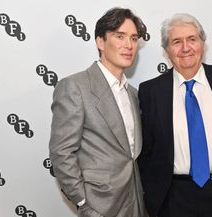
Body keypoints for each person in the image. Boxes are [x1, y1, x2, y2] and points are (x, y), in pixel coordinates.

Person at [138, 13, 212, 217]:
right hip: (173, 199)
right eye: (176, 41)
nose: (185, 48)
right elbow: (147, 150)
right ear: (166, 51)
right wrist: (154, 193)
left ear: (202, 44)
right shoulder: (150, 91)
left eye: (192, 39)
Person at [49, 7, 147, 217]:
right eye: (119, 36)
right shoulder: (75, 86)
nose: (129, 45)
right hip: (99, 206)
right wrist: (84, 202)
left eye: (133, 38)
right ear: (100, 42)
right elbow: (62, 152)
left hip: (136, 203)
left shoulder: (133, 94)